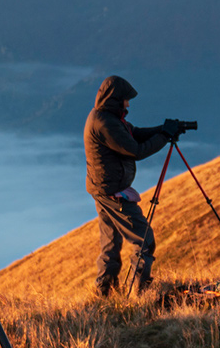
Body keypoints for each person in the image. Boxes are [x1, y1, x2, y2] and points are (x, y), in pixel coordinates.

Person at [83, 75, 188, 296]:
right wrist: (164, 136)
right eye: (126, 100)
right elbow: (135, 150)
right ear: (115, 99)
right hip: (112, 193)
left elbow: (134, 133)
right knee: (145, 241)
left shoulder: (107, 117)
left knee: (111, 243)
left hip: (103, 189)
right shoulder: (104, 123)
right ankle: (136, 295)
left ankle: (105, 293)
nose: (128, 104)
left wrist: (164, 129)